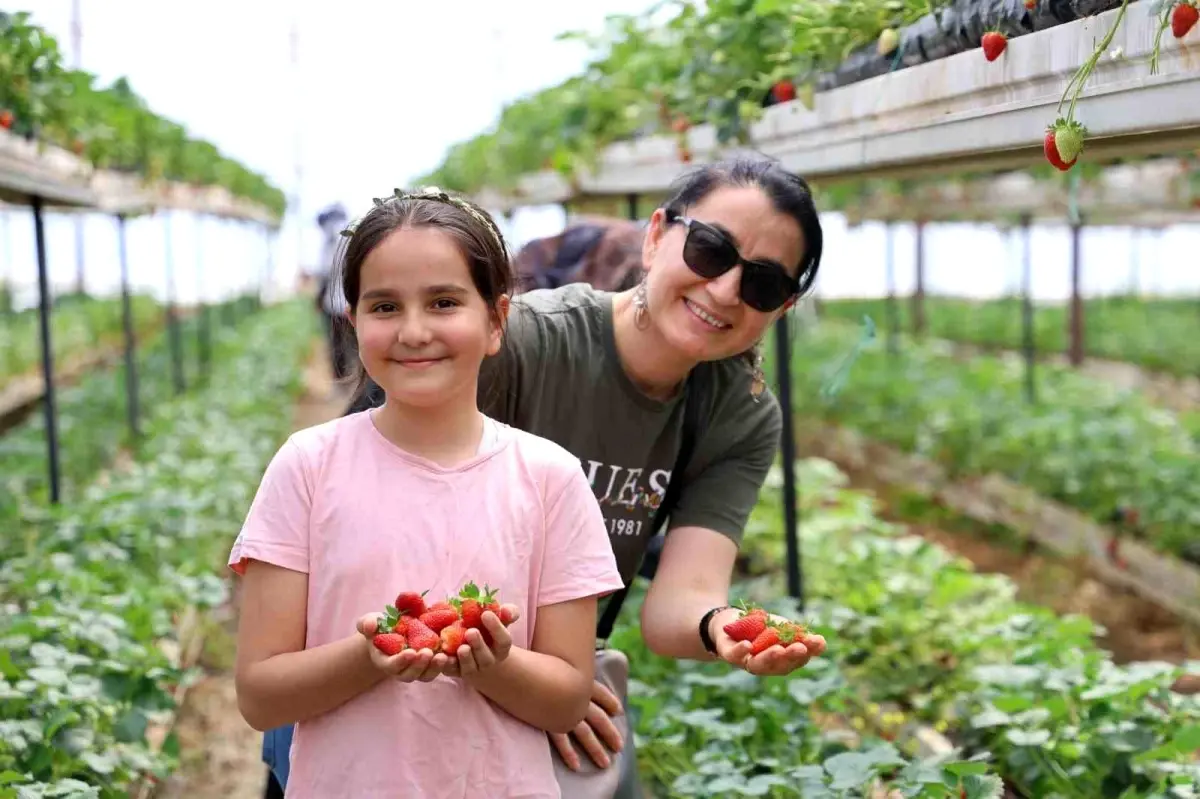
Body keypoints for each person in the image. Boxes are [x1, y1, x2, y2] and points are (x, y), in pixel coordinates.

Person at [262, 157, 830, 797]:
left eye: (761, 284)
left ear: (782, 308)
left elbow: (677, 604)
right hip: (370, 673)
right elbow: (367, 508)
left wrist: (717, 627)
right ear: (656, 236)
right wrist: (533, 674)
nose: (725, 290)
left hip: (526, 679)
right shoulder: (528, 343)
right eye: (709, 249)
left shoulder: (738, 413)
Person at [232, 187, 626, 798]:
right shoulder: (307, 467)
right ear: (353, 321)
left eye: (444, 302)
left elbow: (566, 697)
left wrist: (495, 663)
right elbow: (260, 695)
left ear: (496, 321)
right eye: (384, 307)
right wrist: (368, 657)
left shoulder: (550, 478)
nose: (414, 331)